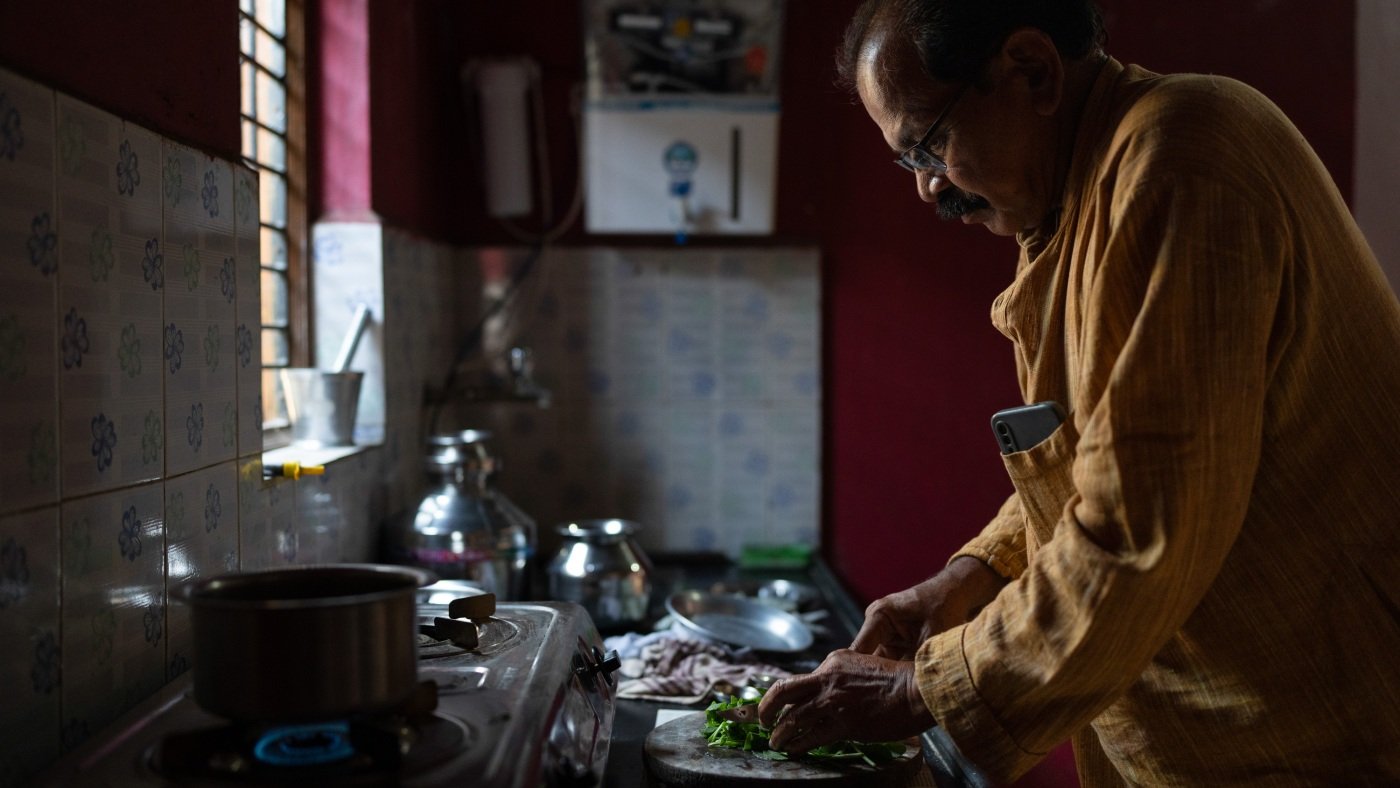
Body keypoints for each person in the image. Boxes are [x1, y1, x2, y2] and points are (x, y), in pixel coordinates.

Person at [756, 1, 1400, 784]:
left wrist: (924, 686)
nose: (927, 189)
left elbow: (1141, 526)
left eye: (928, 144)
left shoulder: (1184, 157)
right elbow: (1102, 451)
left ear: (1031, 70)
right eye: (908, 161)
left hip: (1320, 742)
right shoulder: (1079, 199)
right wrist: (973, 575)